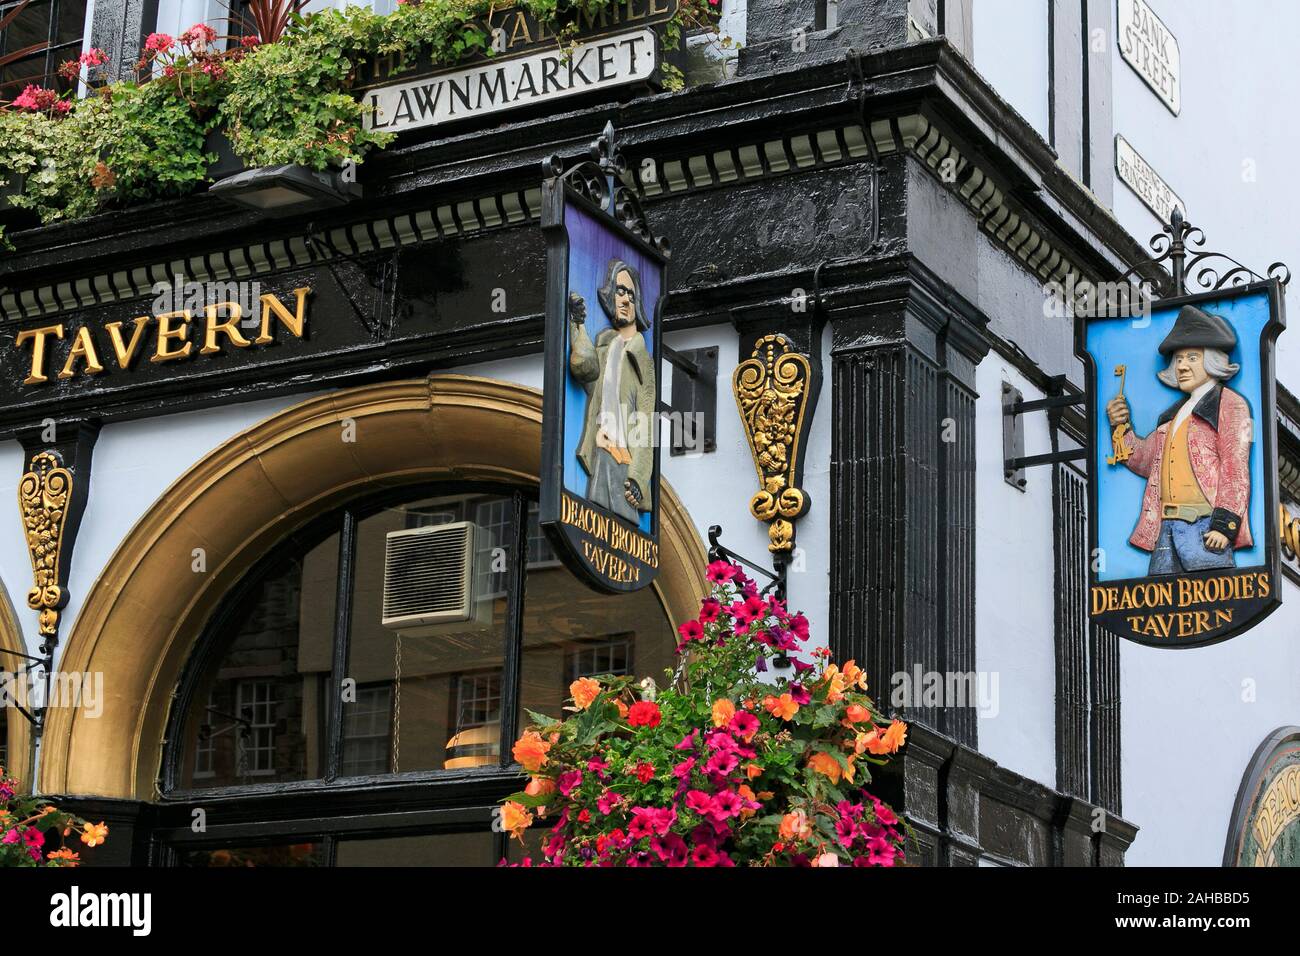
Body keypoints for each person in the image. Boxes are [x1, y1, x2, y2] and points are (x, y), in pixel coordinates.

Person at [1106, 304, 1253, 575]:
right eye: (1180, 359)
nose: (1182, 366)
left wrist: (1224, 525)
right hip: (1165, 530)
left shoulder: (1229, 404)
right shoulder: (1172, 416)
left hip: (1205, 527)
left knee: (1212, 605)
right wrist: (1121, 426)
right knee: (1161, 610)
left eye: (1192, 358)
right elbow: (1144, 460)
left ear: (1212, 360)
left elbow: (1235, 468)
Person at [567, 258, 655, 524]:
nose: (626, 300)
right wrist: (577, 324)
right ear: (610, 296)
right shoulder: (604, 348)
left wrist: (638, 477)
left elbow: (645, 421)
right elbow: (585, 371)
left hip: (624, 463)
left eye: (631, 293)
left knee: (621, 528)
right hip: (601, 454)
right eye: (620, 291)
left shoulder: (641, 359)